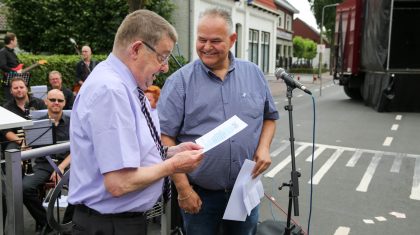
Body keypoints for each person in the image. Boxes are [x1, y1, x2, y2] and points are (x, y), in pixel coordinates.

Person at [68, 9, 204, 235]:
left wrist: (171, 152)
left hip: (116, 222)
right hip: (110, 225)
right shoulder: (111, 91)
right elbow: (119, 183)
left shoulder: (121, 84)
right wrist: (174, 166)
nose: (165, 67)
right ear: (137, 49)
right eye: (162, 56)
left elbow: (130, 150)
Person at [158, 8, 279, 235]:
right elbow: (165, 137)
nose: (206, 47)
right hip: (200, 194)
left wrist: (264, 148)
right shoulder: (179, 82)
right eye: (202, 39)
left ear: (232, 40)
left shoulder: (253, 74)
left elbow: (270, 117)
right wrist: (183, 189)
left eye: (215, 40)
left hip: (244, 189)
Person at [22, 89, 72, 234]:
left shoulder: (73, 122)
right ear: (46, 101)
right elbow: (26, 145)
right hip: (44, 164)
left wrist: (61, 167)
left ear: (64, 103)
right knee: (24, 189)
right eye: (52, 100)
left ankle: (65, 227)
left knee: (81, 189)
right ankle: (46, 222)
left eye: (60, 100)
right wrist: (23, 150)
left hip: (67, 164)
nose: (56, 103)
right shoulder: (37, 123)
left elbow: (77, 149)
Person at [1, 77, 46, 150]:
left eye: (21, 87)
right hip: (17, 141)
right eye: (15, 88)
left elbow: (46, 122)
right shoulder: (7, 108)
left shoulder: (39, 103)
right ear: (11, 91)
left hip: (39, 138)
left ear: (26, 89)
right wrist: (22, 143)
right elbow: (6, 131)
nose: (19, 90)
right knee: (11, 150)